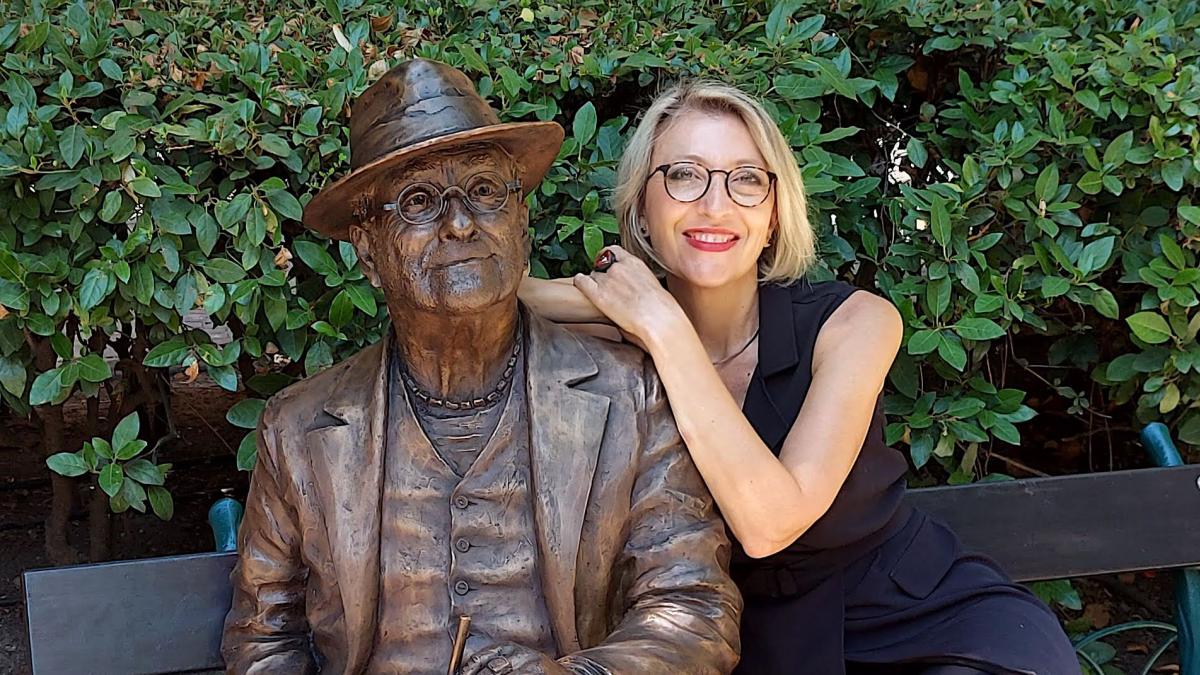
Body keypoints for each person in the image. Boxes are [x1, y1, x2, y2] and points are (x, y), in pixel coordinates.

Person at [519, 80, 1079, 674]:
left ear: (774, 216)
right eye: (684, 175)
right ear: (641, 207)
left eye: (747, 179)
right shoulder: (615, 342)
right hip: (741, 643)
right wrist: (617, 305)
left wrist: (664, 327)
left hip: (922, 623)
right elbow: (490, 301)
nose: (715, 206)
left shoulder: (856, 324)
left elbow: (769, 524)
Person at [221, 59, 742, 675]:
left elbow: (691, 606)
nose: (462, 223)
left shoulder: (631, 396)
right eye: (418, 202)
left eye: (486, 191)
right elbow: (264, 638)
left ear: (521, 221)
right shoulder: (298, 428)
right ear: (367, 250)